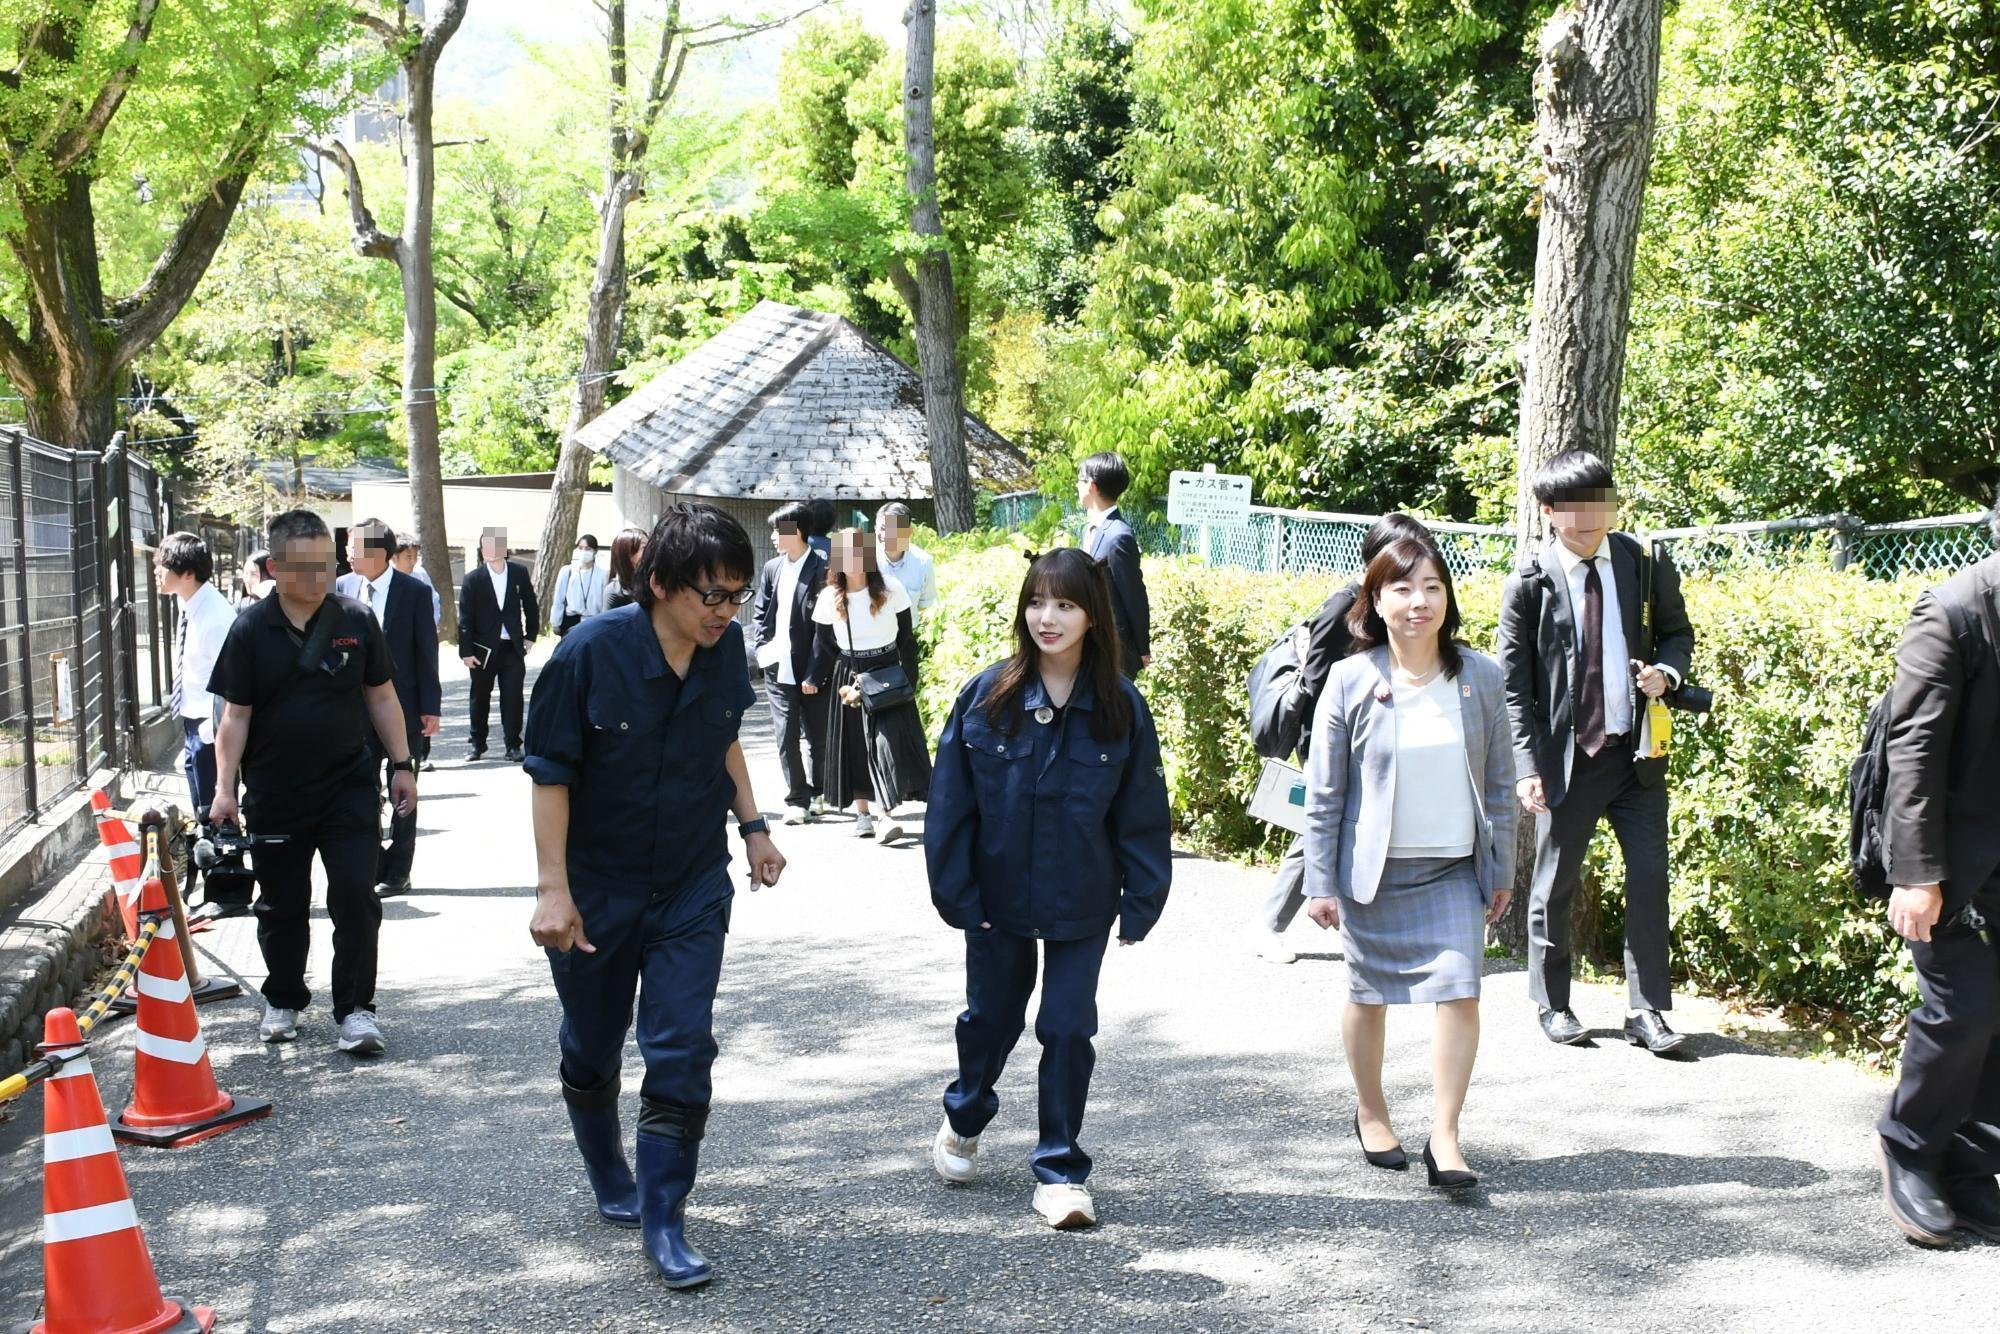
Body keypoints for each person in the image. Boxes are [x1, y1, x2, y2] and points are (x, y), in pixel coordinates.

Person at [523, 502, 787, 1290]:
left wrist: (755, 827)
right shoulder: (588, 654)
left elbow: (724, 736)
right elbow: (550, 775)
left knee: (680, 1048)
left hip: (692, 885)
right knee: (594, 1040)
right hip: (599, 891)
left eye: (737, 595)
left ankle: (665, 1217)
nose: (725, 612)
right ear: (661, 584)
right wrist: (552, 891)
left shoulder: (725, 646)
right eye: (711, 595)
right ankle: (609, 1167)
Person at [925, 548, 1172, 1229]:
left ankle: (1060, 1171)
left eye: (1065, 604)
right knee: (992, 1021)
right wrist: (958, 894)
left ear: (1093, 615)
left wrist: (1142, 899)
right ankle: (966, 1111)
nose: (1048, 617)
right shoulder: (988, 695)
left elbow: (1143, 812)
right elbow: (951, 805)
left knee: (1066, 1026)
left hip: (1082, 896)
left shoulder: (1121, 706)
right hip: (996, 900)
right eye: (1037, 602)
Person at [1301, 537, 1517, 1190]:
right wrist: (1319, 882)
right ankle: (1371, 1110)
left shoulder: (1480, 676)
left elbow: (1502, 783)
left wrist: (1501, 868)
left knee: (1460, 991)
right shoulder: (1351, 678)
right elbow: (1325, 791)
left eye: (1431, 588)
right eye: (1401, 589)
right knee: (1368, 999)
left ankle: (1445, 1136)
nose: (1418, 601)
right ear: (1376, 601)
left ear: (1447, 598)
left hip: (1452, 869)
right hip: (1373, 874)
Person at [1498, 450, 1694, 1053]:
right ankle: (1553, 1003)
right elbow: (1514, 687)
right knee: (1556, 881)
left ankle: (1647, 1011)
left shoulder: (1641, 563)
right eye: (1572, 509)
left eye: (1598, 503)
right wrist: (1527, 766)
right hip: (1568, 759)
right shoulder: (1529, 584)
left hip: (1635, 754)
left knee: (1651, 877)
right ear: (1549, 513)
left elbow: (1677, 635)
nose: (1588, 519)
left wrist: (1666, 672)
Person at [207, 509, 417, 1056]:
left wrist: (402, 764)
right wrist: (224, 789)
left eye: (325, 563)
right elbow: (236, 715)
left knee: (355, 897)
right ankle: (283, 998)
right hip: (276, 792)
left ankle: (356, 1010)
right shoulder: (251, 628)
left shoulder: (355, 619)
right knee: (282, 903)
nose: (317, 576)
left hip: (348, 785)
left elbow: (382, 696)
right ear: (274, 566)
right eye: (302, 566)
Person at [1874, 512, 2000, 1246]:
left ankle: (1973, 1167)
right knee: (1965, 1009)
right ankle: (1909, 1145)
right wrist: (1917, 874)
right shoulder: (1953, 611)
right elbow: (1912, 752)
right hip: (1952, 862)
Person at [1250, 512, 1438, 964]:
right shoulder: (1343, 606)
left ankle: (1356, 921)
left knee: (1344, 827)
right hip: (1329, 739)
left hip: (1377, 736)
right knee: (1321, 829)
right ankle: (1268, 924)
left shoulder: (1393, 605)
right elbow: (1315, 683)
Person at [337, 519, 442, 898]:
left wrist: (431, 706)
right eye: (347, 546)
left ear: (380, 553)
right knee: (359, 785)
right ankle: (369, 862)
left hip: (405, 706)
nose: (348, 554)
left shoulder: (413, 592)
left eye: (355, 547)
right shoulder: (341, 588)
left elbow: (425, 651)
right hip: (353, 708)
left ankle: (398, 869)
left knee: (402, 787)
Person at [810, 528, 930, 843]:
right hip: (849, 671)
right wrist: (817, 677)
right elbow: (824, 644)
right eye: (844, 553)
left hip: (887, 670)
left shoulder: (891, 588)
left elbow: (906, 635)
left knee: (886, 742)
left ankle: (885, 813)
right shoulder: (828, 597)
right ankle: (864, 814)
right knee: (855, 744)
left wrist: (909, 679)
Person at [751, 503, 830, 824]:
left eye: (777, 530)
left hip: (811, 667)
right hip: (776, 664)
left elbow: (828, 627)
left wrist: (815, 671)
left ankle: (819, 791)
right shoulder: (772, 568)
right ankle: (796, 798)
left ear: (796, 532)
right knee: (786, 735)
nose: (772, 536)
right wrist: (761, 648)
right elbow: (760, 611)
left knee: (817, 735)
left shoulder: (824, 569)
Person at [154, 533, 236, 819]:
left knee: (213, 811)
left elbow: (232, 683)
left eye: (162, 566)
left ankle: (221, 858)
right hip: (193, 721)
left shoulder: (216, 618)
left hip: (210, 728)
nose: (155, 572)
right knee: (201, 806)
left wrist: (212, 734)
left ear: (187, 573)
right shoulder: (188, 602)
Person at [457, 528, 539, 763]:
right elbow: (465, 618)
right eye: (486, 546)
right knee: (480, 697)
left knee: (513, 696)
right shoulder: (473, 578)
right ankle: (477, 743)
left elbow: (531, 604)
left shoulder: (518, 573)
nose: (490, 550)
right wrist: (466, 652)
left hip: (512, 646)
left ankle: (513, 744)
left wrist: (530, 635)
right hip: (483, 647)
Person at [1077, 452, 1151, 678]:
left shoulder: (1118, 535)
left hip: (1114, 648)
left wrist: (1142, 647)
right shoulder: (1089, 529)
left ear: (1091, 485)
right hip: (1086, 642)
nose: (1076, 486)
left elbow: (1134, 595)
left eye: (1079, 480)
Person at [876, 502, 938, 617]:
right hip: (874, 633)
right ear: (875, 529)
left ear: (909, 532)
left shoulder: (923, 562)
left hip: (910, 632)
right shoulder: (864, 557)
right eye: (883, 528)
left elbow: (927, 606)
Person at [552, 534, 609, 636]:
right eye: (580, 548)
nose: (583, 551)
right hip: (571, 620)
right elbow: (558, 599)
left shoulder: (603, 574)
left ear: (595, 551)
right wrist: (556, 622)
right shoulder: (568, 571)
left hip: (593, 620)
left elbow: (605, 603)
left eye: (587, 549)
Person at [391, 533, 443, 630]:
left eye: (415, 557)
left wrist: (429, 627)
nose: (413, 561)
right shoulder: (385, 577)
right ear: (394, 558)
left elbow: (434, 601)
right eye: (409, 557)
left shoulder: (420, 574)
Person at [605, 527, 647, 611]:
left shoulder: (655, 582)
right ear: (627, 555)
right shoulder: (615, 591)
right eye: (644, 548)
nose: (650, 551)